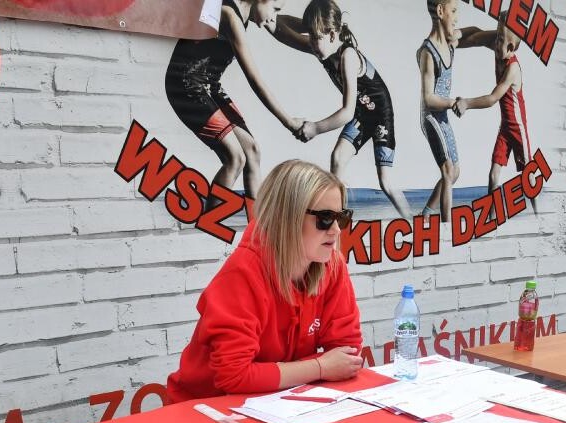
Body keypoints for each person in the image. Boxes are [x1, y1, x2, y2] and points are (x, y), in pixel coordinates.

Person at [167, 160, 364, 401]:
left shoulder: (332, 266)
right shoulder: (243, 273)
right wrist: (320, 367)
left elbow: (347, 356)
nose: (335, 230)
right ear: (286, 218)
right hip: (207, 407)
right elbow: (234, 376)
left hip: (277, 403)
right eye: (324, 218)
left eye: (341, 218)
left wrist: (287, 373)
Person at [268, 1, 412, 218]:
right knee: (337, 158)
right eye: (311, 35)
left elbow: (346, 111)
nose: (312, 44)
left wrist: (315, 128)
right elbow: (281, 31)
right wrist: (268, 17)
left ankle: (413, 222)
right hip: (362, 114)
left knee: (385, 181)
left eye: (316, 38)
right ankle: (337, 217)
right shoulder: (321, 46)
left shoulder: (348, 56)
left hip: (380, 114)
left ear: (333, 35)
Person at [165, 0, 302, 205]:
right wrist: (289, 122)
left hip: (208, 85)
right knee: (235, 158)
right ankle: (209, 228)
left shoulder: (247, 13)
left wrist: (313, 27)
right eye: (274, 9)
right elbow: (254, 80)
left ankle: (255, 233)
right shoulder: (229, 15)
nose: (273, 18)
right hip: (186, 84)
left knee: (252, 151)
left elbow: (282, 25)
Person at [416, 0, 496, 222]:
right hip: (431, 116)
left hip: (443, 116)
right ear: (440, 11)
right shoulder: (427, 52)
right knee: (448, 171)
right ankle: (446, 228)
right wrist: (453, 103)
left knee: (455, 172)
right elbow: (429, 97)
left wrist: (495, 36)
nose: (457, 16)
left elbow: (472, 33)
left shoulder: (451, 40)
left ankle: (424, 217)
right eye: (453, 11)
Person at [453, 13, 536, 212]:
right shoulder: (500, 45)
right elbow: (475, 36)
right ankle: (491, 218)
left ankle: (539, 217)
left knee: (529, 177)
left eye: (499, 39)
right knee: (493, 175)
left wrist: (467, 103)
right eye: (497, 35)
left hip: (517, 129)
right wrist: (455, 38)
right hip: (505, 127)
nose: (495, 41)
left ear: (511, 47)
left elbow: (492, 99)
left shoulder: (513, 68)